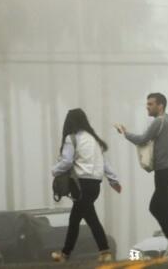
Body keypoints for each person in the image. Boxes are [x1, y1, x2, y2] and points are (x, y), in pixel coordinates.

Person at [50, 108, 121, 263]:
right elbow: (105, 163)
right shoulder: (94, 139)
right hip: (95, 184)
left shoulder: (72, 138)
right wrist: (113, 180)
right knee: (82, 217)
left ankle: (68, 254)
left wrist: (54, 170)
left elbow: (67, 161)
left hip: (80, 184)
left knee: (82, 218)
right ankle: (99, 251)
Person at [115, 92, 168, 256]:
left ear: (160, 106)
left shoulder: (159, 121)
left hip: (164, 172)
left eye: (151, 104)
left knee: (156, 207)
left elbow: (142, 139)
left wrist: (125, 133)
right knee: (165, 209)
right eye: (147, 104)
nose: (147, 107)